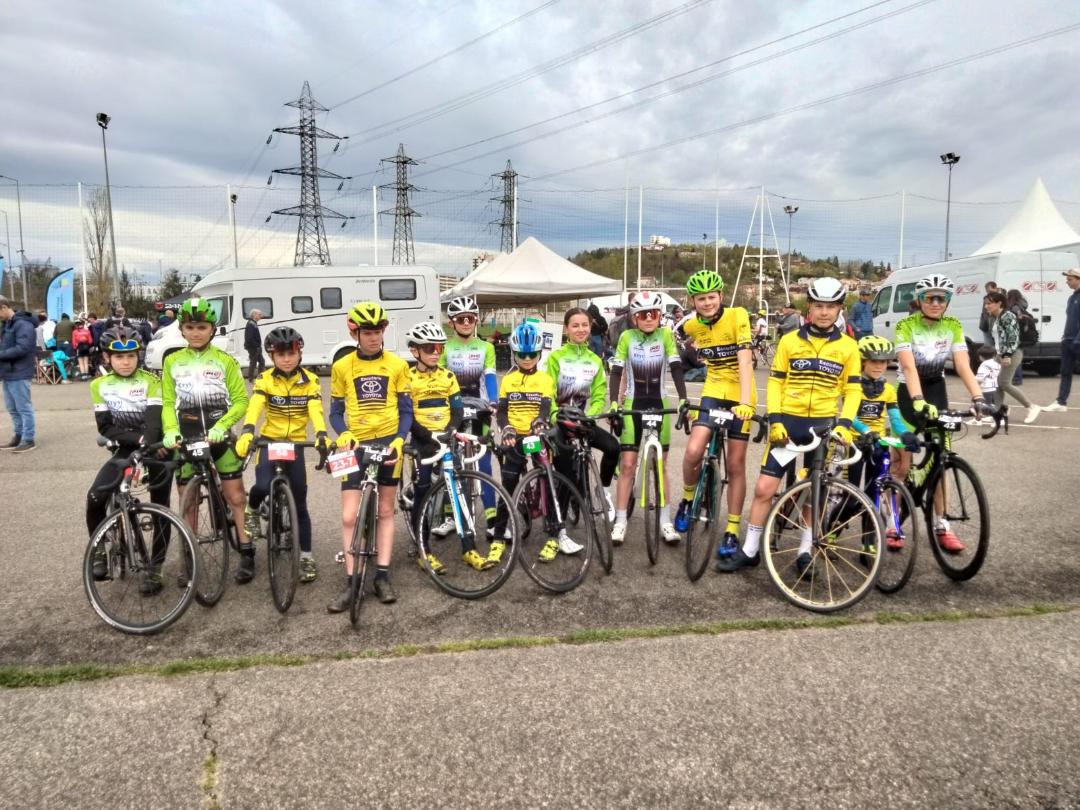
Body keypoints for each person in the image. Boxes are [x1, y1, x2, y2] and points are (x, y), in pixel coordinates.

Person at [717, 277, 861, 574]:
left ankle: (805, 552)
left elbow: (853, 390)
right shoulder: (789, 340)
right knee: (764, 488)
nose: (824, 312)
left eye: (830, 307)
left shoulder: (848, 347)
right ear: (809, 307)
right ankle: (750, 550)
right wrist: (777, 419)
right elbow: (776, 382)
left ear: (839, 309)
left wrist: (845, 423)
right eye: (818, 306)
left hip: (823, 428)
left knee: (814, 493)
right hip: (789, 426)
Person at [891, 274, 991, 553]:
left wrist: (979, 397)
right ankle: (892, 522)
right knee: (901, 464)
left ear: (947, 301)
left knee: (940, 461)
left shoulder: (953, 326)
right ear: (920, 300)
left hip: (937, 389)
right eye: (929, 298)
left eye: (941, 298)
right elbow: (909, 368)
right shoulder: (905, 325)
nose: (936, 303)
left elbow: (962, 365)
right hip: (909, 393)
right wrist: (918, 399)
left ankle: (942, 524)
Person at [326, 302, 412, 611]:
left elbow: (405, 410)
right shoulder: (341, 367)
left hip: (389, 442)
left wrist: (400, 440)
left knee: (386, 511)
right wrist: (343, 433)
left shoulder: (398, 365)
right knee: (349, 515)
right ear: (355, 333)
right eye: (368, 333)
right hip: (355, 445)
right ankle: (352, 583)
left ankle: (382, 576)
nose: (374, 338)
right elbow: (335, 411)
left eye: (378, 332)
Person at [161, 298, 252, 581]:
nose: (196, 332)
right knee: (187, 501)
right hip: (186, 436)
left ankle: (247, 551)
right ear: (182, 329)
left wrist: (222, 425)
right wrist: (169, 431)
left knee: (236, 496)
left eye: (202, 327)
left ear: (212, 329)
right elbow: (167, 402)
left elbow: (240, 401)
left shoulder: (225, 361)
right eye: (190, 327)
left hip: (218, 433)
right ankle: (189, 557)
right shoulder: (172, 361)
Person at [233, 326, 328, 585]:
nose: (287, 358)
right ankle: (253, 510)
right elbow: (256, 406)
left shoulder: (311, 380)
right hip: (269, 442)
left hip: (296, 443)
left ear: (300, 353)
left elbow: (315, 409)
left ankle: (306, 556)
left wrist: (321, 434)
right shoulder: (265, 380)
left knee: (300, 503)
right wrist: (247, 432)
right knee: (262, 485)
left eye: (292, 353)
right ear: (271, 356)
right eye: (281, 354)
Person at [673, 270, 756, 559]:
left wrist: (745, 403)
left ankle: (732, 529)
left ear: (720, 296)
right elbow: (679, 338)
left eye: (711, 297)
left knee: (735, 465)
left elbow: (746, 362)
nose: (707, 303)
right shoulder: (693, 326)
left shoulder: (738, 316)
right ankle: (686, 499)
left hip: (740, 392)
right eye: (700, 298)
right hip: (714, 388)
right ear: (693, 301)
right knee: (694, 450)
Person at [85, 326, 172, 591]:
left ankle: (155, 568)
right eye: (119, 357)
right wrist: (135, 441)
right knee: (95, 496)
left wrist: (146, 442)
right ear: (106, 358)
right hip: (126, 447)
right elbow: (106, 427)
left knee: (161, 508)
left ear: (138, 356)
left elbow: (153, 422)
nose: (125, 362)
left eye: (131, 356)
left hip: (155, 446)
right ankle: (99, 549)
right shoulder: (99, 385)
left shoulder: (151, 381)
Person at [608, 290, 687, 545]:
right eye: (643, 314)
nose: (648, 318)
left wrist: (684, 398)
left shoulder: (665, 335)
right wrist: (613, 403)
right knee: (629, 464)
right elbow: (617, 371)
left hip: (660, 402)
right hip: (634, 403)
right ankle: (620, 521)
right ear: (634, 318)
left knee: (661, 466)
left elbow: (675, 367)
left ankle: (665, 521)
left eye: (653, 313)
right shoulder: (627, 337)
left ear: (659, 316)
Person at [492, 322, 571, 563]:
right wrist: (505, 427)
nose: (527, 359)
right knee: (507, 483)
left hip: (536, 437)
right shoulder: (507, 380)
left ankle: (554, 536)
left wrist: (540, 422)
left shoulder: (545, 379)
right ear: (514, 354)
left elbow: (545, 408)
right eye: (522, 355)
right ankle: (497, 538)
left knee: (547, 480)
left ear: (539, 354)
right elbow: (503, 411)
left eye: (532, 355)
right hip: (514, 436)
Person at [402, 322, 474, 571]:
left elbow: (457, 409)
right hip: (423, 441)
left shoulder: (448, 376)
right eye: (429, 347)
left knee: (458, 491)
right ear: (415, 351)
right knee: (423, 492)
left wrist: (451, 429)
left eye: (439, 348)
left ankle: (469, 548)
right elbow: (406, 414)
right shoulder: (407, 377)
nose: (435, 352)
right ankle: (423, 550)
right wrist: (426, 436)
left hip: (446, 438)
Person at [547, 307, 620, 525]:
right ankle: (559, 520)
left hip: (582, 420)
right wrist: (554, 415)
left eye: (585, 325)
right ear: (566, 329)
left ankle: (603, 490)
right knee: (567, 473)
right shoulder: (556, 357)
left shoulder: (595, 360)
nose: (581, 329)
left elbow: (598, 394)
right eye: (575, 325)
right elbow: (547, 393)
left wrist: (589, 415)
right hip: (560, 422)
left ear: (591, 327)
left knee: (613, 447)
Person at [439, 296, 498, 533]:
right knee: (451, 458)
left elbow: (491, 376)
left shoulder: (487, 347)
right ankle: (450, 515)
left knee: (483, 460)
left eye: (470, 318)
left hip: (481, 406)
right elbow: (440, 379)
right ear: (452, 323)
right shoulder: (444, 348)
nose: (465, 322)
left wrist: (494, 401)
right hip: (453, 408)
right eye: (460, 319)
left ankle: (492, 517)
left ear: (476, 321)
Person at [983, 290, 1039, 423]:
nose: (986, 306)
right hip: (1000, 353)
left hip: (1012, 353)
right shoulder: (994, 317)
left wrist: (1007, 355)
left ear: (999, 303)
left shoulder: (1008, 316)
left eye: (989, 303)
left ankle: (1031, 406)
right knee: (996, 383)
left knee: (1004, 383)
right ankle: (998, 412)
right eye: (985, 304)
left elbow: (1013, 337)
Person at [0, 296, 37, 452]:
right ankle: (18, 435)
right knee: (12, 408)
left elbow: (22, 348)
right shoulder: (8, 324)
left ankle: (28, 439)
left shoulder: (23, 324)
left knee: (23, 407)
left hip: (20, 372)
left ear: (3, 307)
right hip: (8, 372)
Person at [1045, 267, 1080, 412]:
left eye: (1070, 279)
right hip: (1068, 340)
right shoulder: (1072, 297)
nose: (1067, 282)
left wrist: (1078, 340)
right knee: (1065, 372)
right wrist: (1065, 337)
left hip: (1077, 341)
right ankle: (1061, 402)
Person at [971, 345, 1001, 426]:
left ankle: (978, 420)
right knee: (993, 404)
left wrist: (973, 381)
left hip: (986, 388)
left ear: (980, 356)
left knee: (980, 404)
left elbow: (980, 378)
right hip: (995, 388)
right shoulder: (997, 364)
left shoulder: (984, 365)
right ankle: (997, 419)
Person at [244, 309, 266, 383]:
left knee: (261, 362)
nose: (261, 316)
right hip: (254, 348)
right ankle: (251, 379)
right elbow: (249, 337)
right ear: (254, 315)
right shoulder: (251, 324)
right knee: (253, 363)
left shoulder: (253, 323)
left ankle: (260, 378)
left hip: (256, 347)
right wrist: (256, 346)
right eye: (259, 314)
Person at [979, 281, 999, 348]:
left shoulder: (1000, 297)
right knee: (988, 345)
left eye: (989, 290)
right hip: (986, 324)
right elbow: (984, 311)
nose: (988, 292)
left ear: (995, 288)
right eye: (987, 290)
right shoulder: (986, 298)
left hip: (995, 323)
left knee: (996, 344)